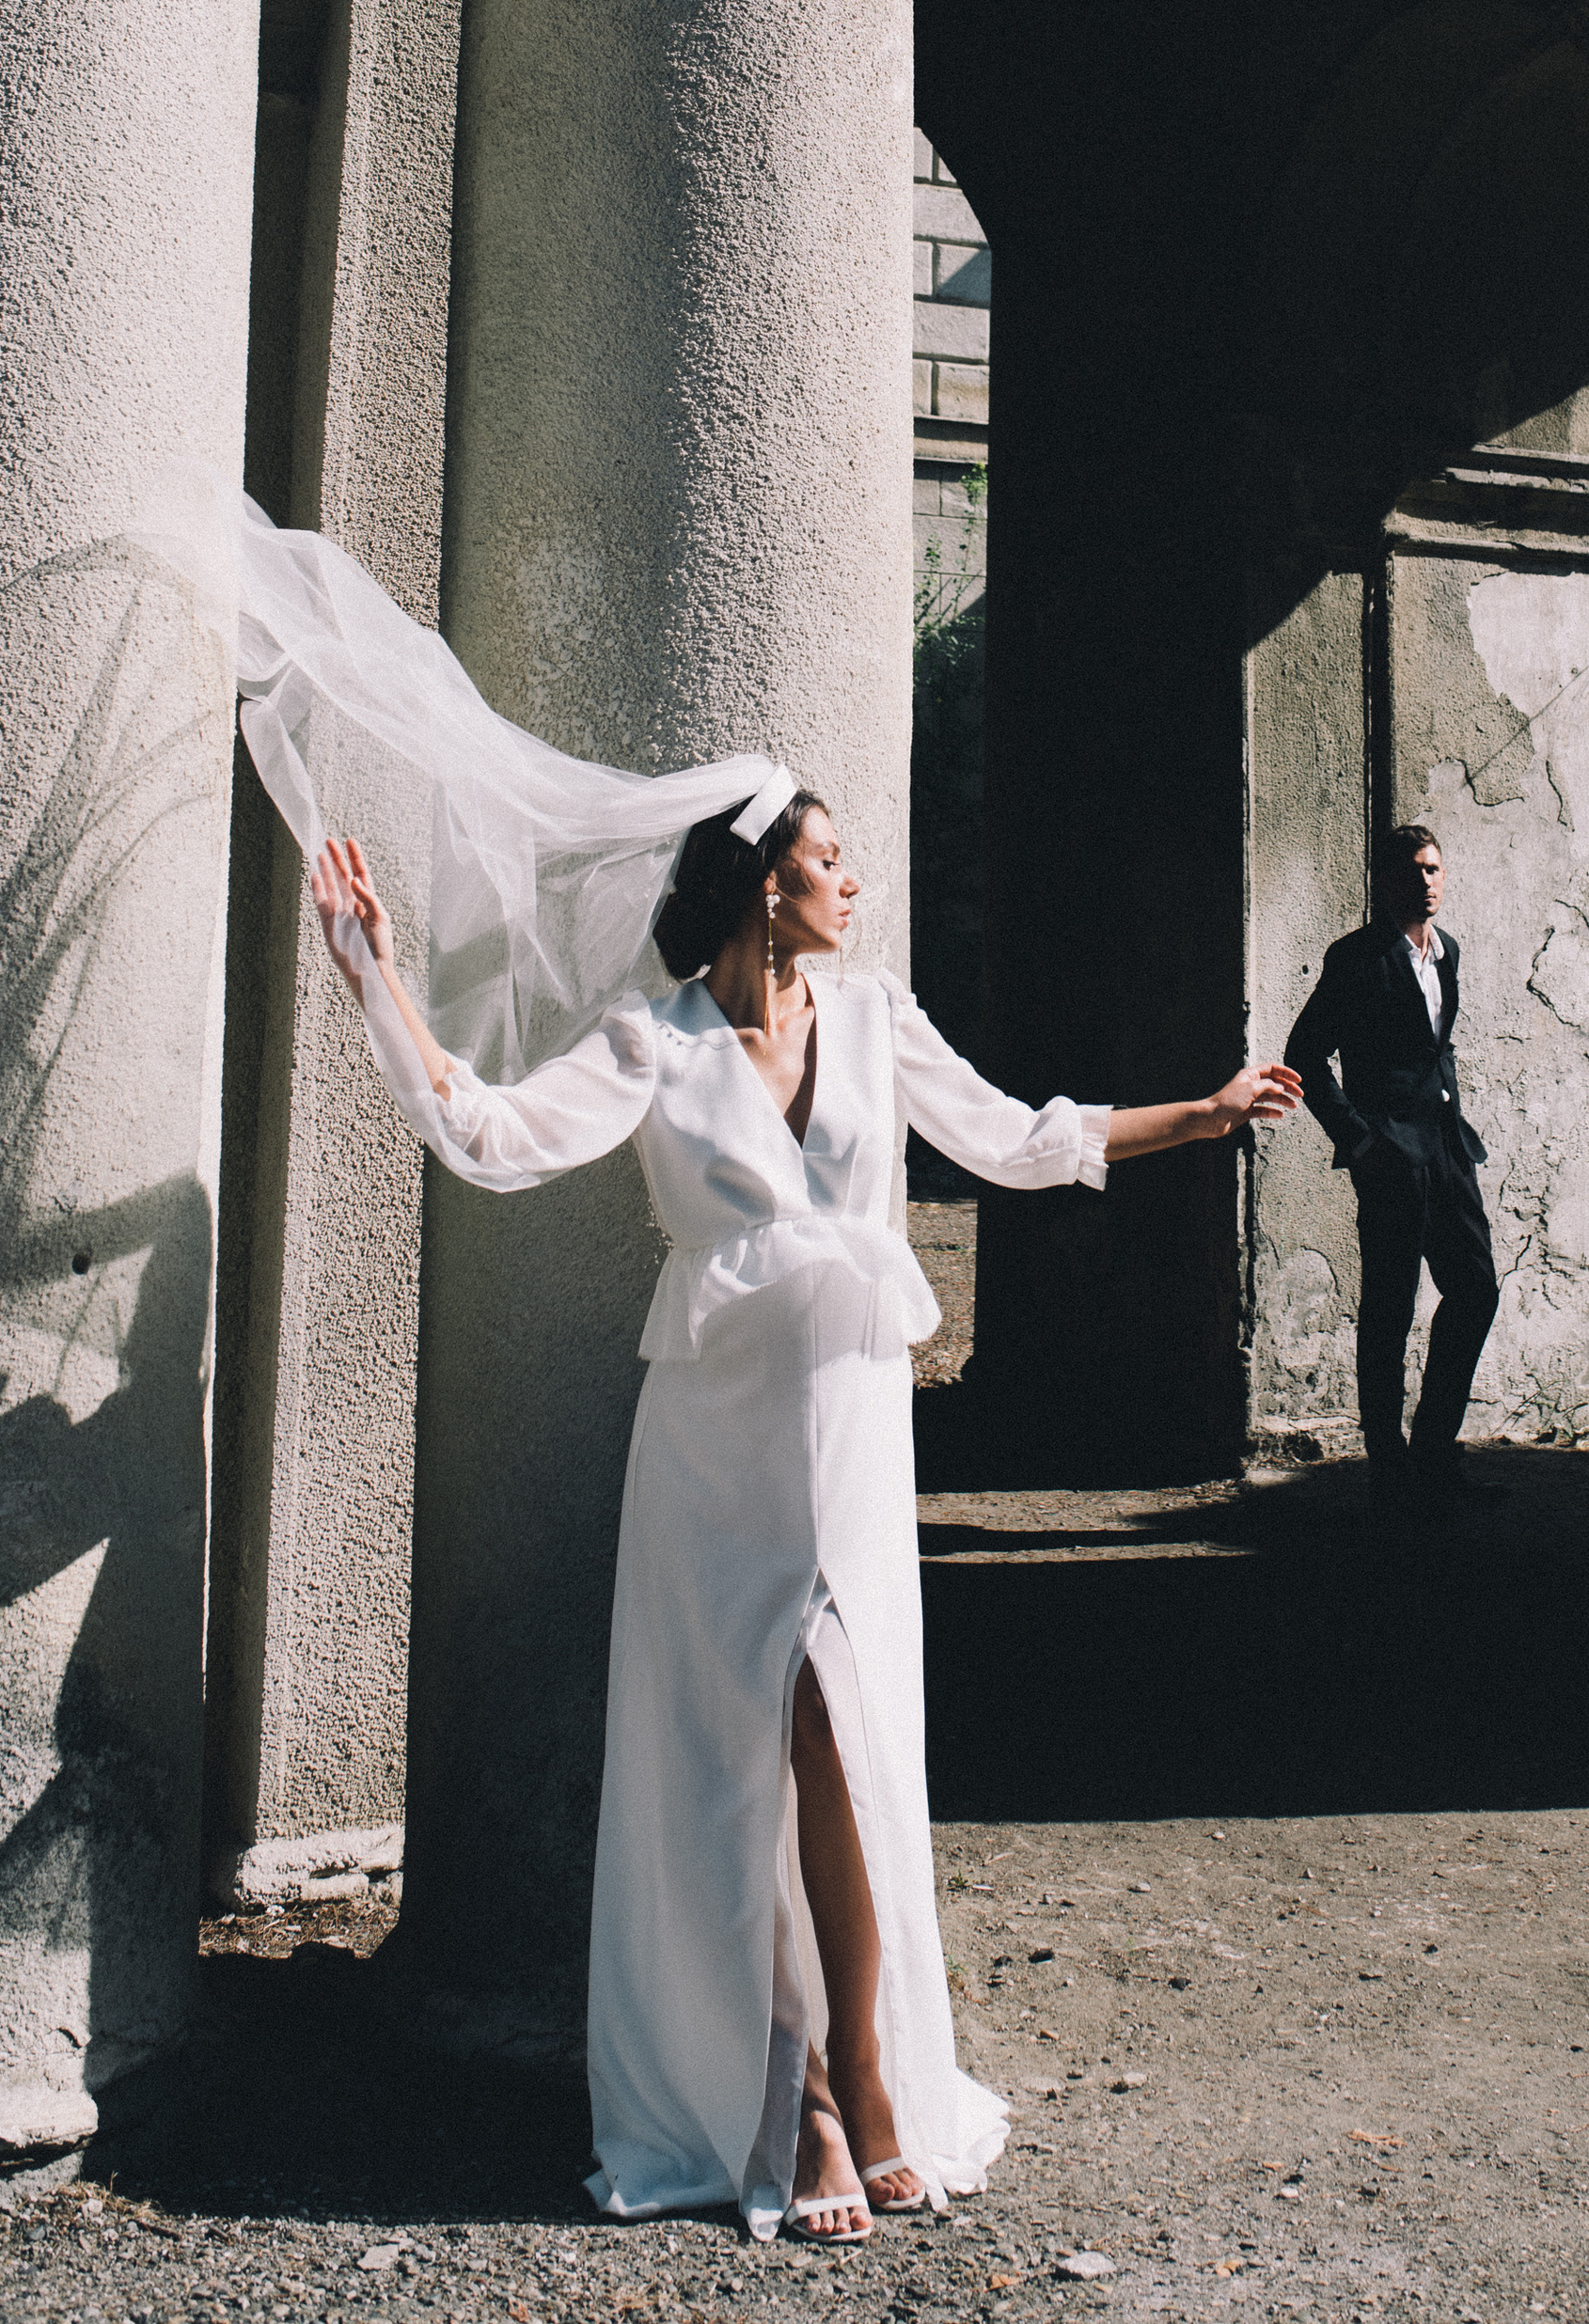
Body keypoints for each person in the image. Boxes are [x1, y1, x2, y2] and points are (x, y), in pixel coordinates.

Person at [303, 786, 1299, 2244]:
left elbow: (1017, 1138)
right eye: (828, 859)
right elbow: (491, 1132)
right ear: (763, 883)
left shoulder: (876, 1010)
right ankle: (809, 2093)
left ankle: (874, 2070)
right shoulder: (657, 1040)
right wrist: (371, 970)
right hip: (713, 1453)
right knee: (739, 1764)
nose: (852, 880)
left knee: (841, 1738)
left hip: (845, 1434)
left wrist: (1198, 1115)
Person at [1283, 822, 1500, 1513]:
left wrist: (1449, 1117)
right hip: (1390, 1157)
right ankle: (1390, 1466)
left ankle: (1434, 1450)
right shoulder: (1356, 958)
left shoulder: (1448, 953)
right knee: (1389, 1307)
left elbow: (1437, 1048)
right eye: (1413, 871)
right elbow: (1304, 1056)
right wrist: (1360, 1140)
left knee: (1476, 1290)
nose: (1427, 881)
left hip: (1446, 1148)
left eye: (1435, 869)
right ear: (1386, 881)